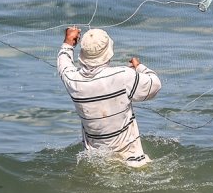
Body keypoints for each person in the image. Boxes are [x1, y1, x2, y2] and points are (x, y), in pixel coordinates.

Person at [57, 26, 161, 167]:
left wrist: (68, 43)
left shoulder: (73, 80)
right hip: (133, 163)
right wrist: (139, 67)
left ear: (83, 53)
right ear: (109, 52)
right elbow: (155, 85)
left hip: (96, 163)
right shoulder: (123, 75)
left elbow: (63, 63)